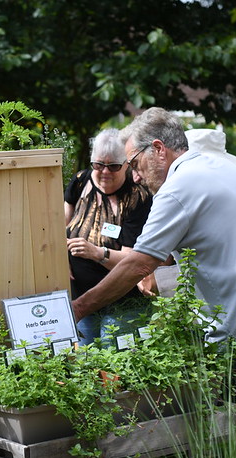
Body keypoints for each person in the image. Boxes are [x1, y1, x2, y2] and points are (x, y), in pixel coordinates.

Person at [71, 108, 236, 458]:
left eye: (134, 164)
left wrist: (79, 308)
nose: (134, 175)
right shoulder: (230, 170)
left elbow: (139, 262)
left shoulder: (177, 190)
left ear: (158, 150)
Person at [65, 128, 153, 346]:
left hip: (122, 302)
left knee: (114, 359)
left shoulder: (137, 197)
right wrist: (60, 257)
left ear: (127, 165)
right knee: (86, 359)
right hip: (81, 297)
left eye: (113, 166)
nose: (104, 172)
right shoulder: (79, 182)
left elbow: (133, 260)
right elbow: (57, 227)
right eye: (98, 165)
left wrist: (96, 253)